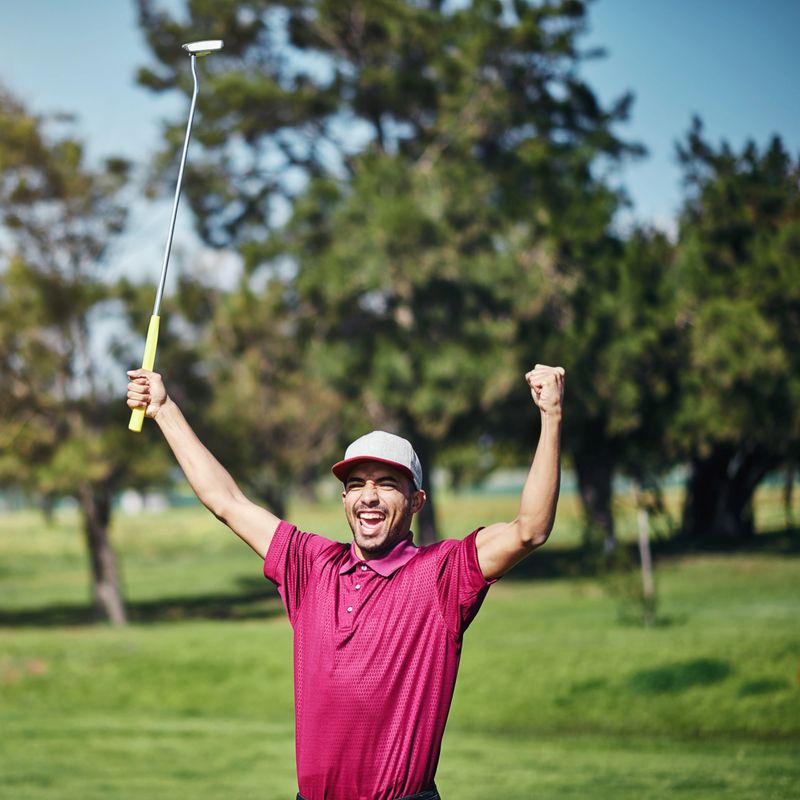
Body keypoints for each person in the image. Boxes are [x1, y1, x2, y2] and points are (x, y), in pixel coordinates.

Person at [126, 363, 565, 800]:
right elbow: (225, 501)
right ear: (344, 499)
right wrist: (163, 409)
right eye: (357, 484)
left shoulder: (442, 574)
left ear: (416, 501)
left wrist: (551, 417)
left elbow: (530, 529)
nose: (369, 496)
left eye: (387, 484)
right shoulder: (310, 565)